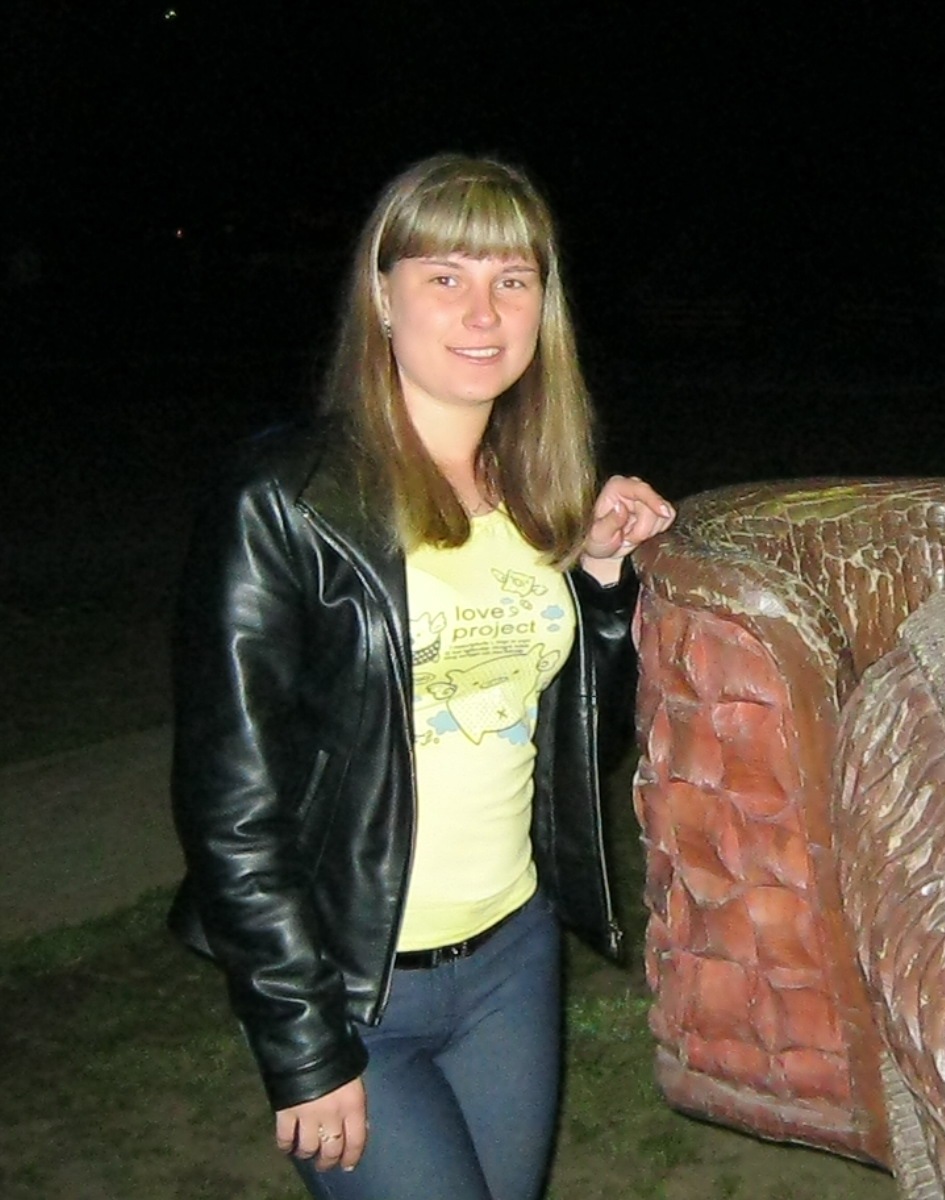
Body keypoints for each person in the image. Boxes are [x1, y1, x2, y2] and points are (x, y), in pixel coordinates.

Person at [167, 153, 676, 1200]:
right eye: (445, 276)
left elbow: (576, 742)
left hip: (512, 965)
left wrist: (602, 583)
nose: (483, 312)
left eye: (512, 279)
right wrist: (303, 1043)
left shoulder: (536, 493)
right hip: (356, 986)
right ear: (383, 296)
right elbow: (231, 804)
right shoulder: (288, 499)